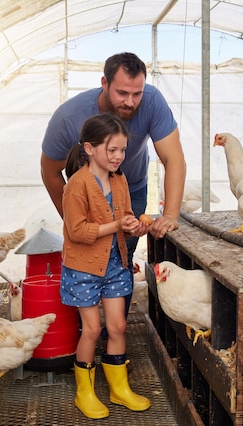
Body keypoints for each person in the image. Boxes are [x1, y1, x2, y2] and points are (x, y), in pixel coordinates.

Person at [41, 51, 186, 332]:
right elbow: (49, 171)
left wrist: (170, 214)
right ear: (104, 83)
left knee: (121, 258)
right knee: (86, 259)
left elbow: (174, 159)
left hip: (131, 188)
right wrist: (72, 218)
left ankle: (115, 336)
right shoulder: (69, 118)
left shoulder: (152, 100)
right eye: (122, 93)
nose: (130, 102)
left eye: (136, 93)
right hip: (86, 195)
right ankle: (84, 331)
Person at [61, 113, 151, 419]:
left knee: (118, 326)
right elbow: (76, 231)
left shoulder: (120, 179)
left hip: (115, 262)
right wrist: (115, 225)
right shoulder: (77, 184)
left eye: (122, 150)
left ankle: (118, 389)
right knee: (92, 329)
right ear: (89, 148)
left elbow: (124, 216)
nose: (118, 156)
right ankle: (84, 393)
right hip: (84, 265)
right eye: (111, 150)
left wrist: (133, 225)